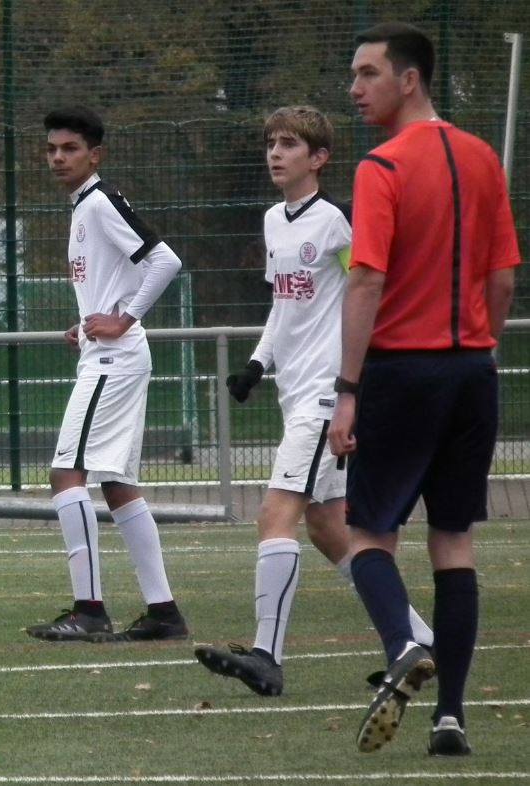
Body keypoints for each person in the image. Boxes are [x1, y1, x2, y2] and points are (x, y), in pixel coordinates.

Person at [327, 22, 520, 755]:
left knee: (368, 533)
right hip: (471, 371)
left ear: (409, 80)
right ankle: (450, 718)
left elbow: (365, 279)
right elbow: (503, 277)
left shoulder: (381, 166)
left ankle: (402, 644)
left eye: (368, 73)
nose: (354, 87)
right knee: (454, 541)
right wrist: (481, 347)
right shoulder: (482, 159)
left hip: (401, 371)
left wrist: (348, 388)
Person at [194, 106, 432, 696]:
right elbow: (283, 306)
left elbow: (371, 290)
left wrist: (358, 380)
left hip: (327, 397)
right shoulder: (274, 220)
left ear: (319, 158)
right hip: (295, 394)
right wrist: (258, 363)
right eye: (271, 143)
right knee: (328, 527)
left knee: (274, 516)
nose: (276, 153)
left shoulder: (338, 223)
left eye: (290, 144)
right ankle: (421, 640)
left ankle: (266, 656)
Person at [25, 105, 189, 642]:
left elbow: (164, 261)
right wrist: (89, 322)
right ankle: (164, 613)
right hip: (110, 355)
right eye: (51, 149)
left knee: (65, 473)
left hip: (114, 360)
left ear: (94, 155)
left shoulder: (99, 202)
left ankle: (89, 609)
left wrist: (123, 319)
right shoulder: (83, 208)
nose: (57, 158)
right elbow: (115, 280)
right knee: (117, 484)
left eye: (69, 149)